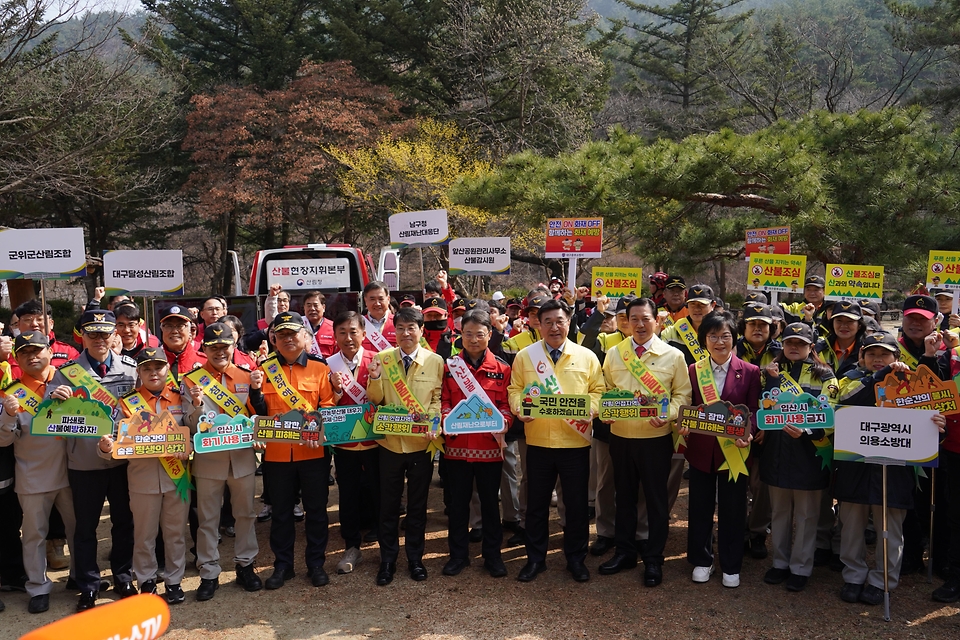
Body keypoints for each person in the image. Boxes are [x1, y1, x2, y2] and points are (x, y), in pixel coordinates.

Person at [834, 331, 946, 605]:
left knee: (891, 531)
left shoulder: (913, 384)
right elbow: (844, 405)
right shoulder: (849, 380)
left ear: (897, 357)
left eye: (884, 354)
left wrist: (937, 429)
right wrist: (878, 376)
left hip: (894, 473)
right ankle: (854, 575)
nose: (877, 359)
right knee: (851, 528)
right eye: (871, 353)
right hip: (855, 471)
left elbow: (926, 429)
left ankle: (881, 580)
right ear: (861, 356)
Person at [507, 299, 604, 583]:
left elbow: (598, 390)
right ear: (538, 324)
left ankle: (576, 559)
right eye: (547, 321)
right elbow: (514, 389)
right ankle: (536, 559)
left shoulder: (586, 356)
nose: (554, 327)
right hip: (538, 442)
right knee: (536, 506)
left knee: (575, 506)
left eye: (559, 321)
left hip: (575, 443)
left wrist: (591, 409)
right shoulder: (526, 356)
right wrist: (520, 407)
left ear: (569, 321)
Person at [47, 310, 137, 611]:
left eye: (105, 333)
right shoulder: (66, 372)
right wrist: (52, 397)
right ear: (82, 336)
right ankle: (88, 584)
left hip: (123, 462)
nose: (99, 339)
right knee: (84, 528)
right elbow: (47, 417)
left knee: (124, 522)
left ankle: (123, 575)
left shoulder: (130, 369)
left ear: (115, 335)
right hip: (84, 462)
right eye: (92, 333)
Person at [599, 298, 691, 587]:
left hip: (655, 440)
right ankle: (625, 552)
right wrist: (607, 411)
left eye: (645, 318)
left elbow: (683, 396)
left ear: (657, 321)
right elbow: (605, 390)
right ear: (625, 322)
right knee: (623, 497)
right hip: (621, 438)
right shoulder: (614, 354)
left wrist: (667, 414)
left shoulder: (673, 356)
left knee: (656, 500)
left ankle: (653, 558)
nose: (640, 324)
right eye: (633, 319)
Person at [248, 312, 338, 589]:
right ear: (273, 338)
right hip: (276, 455)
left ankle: (316, 564)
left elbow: (328, 407)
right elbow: (257, 412)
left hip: (313, 453)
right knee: (282, 513)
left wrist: (316, 430)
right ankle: (283, 566)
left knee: (316, 511)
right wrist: (255, 392)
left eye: (293, 333)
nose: (288, 339)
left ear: (304, 337)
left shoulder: (320, 369)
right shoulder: (263, 369)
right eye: (282, 334)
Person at [101, 347, 192, 604]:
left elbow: (195, 430)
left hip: (177, 478)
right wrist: (105, 448)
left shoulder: (180, 398)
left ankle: (174, 581)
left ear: (167, 370)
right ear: (138, 372)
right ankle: (147, 581)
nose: (153, 373)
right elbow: (114, 442)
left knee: (175, 533)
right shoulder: (127, 402)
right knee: (144, 535)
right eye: (147, 368)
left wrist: (190, 448)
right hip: (142, 479)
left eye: (158, 367)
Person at [183, 323, 264, 600]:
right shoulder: (192, 380)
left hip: (241, 458)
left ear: (234, 345)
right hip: (208, 460)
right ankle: (208, 571)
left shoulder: (246, 376)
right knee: (208, 519)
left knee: (245, 514)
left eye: (224, 346)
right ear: (204, 349)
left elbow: (258, 415)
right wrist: (195, 407)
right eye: (213, 347)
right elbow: (187, 425)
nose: (219, 351)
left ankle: (245, 565)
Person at [680, 311, 760, 588]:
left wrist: (749, 435)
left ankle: (731, 563)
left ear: (734, 339)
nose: (719, 342)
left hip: (734, 453)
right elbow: (687, 406)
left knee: (733, 508)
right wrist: (684, 425)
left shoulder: (750, 372)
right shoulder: (693, 370)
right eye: (713, 336)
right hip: (701, 450)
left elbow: (754, 411)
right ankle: (702, 560)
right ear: (704, 340)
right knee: (700, 507)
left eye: (725, 336)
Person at [367, 307, 444, 585]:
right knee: (388, 505)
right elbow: (374, 400)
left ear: (421, 331)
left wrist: (433, 424)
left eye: (411, 328)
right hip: (389, 445)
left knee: (417, 505)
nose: (406, 333)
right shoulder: (381, 359)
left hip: (421, 446)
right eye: (400, 328)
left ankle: (415, 558)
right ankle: (387, 560)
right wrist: (374, 378)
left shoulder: (435, 361)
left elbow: (436, 399)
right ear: (394, 331)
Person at [0, 333, 76, 614]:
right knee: (34, 535)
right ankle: (38, 587)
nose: (32, 356)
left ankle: (80, 577)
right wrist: (7, 416)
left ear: (49, 350)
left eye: (38, 350)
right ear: (17, 358)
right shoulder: (13, 392)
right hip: (33, 475)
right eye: (25, 352)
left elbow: (95, 419)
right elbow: (4, 441)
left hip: (73, 472)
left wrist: (71, 400)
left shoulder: (70, 379)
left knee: (78, 529)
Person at [760, 322, 838, 592]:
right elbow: (763, 408)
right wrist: (770, 380)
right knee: (779, 511)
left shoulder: (826, 375)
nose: (794, 347)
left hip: (810, 451)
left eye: (800, 343)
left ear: (811, 347)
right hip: (777, 450)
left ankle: (801, 567)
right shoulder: (770, 370)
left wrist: (805, 431)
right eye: (789, 342)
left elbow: (830, 414)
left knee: (806, 514)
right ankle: (780, 563)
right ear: (782, 344)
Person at [440, 310, 512, 578]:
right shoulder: (450, 367)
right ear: (460, 335)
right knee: (457, 505)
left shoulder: (503, 369)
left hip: (489, 449)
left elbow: (506, 405)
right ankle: (458, 556)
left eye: (479, 334)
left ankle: (493, 556)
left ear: (489, 335)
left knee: (490, 505)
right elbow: (444, 400)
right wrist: (447, 417)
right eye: (467, 334)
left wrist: (504, 421)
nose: (473, 339)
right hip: (457, 449)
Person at [326, 311, 378, 574]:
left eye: (353, 331)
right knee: (347, 493)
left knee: (378, 489)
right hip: (344, 444)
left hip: (375, 441)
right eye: (342, 332)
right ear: (335, 336)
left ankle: (383, 538)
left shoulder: (377, 361)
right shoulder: (329, 364)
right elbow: (324, 405)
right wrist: (335, 390)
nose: (348, 337)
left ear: (364, 334)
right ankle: (351, 544)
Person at [736, 303, 781, 559]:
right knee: (736, 483)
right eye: (752, 324)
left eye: (763, 324)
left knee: (761, 485)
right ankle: (738, 529)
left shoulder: (780, 353)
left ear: (771, 328)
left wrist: (764, 424)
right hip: (735, 428)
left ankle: (757, 533)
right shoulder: (731, 349)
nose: (757, 328)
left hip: (768, 431)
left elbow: (783, 394)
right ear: (744, 327)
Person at [816, 301, 866, 377]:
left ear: (859, 325)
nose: (844, 326)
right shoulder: (819, 349)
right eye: (839, 321)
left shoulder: (866, 351)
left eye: (850, 321)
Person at [159, 306, 206, 384]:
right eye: (168, 326)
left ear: (190, 330)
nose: (174, 331)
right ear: (162, 329)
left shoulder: (204, 362)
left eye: (180, 326)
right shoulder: (152, 363)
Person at [361, 281, 397, 353]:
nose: (377, 303)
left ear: (388, 299)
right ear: (365, 301)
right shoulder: (358, 324)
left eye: (381, 299)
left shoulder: (398, 322)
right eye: (372, 299)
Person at [301, 291, 337, 359]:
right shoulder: (298, 326)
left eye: (315, 305)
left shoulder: (333, 327)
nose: (312, 308)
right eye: (309, 305)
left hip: (326, 368)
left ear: (323, 307)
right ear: (304, 308)